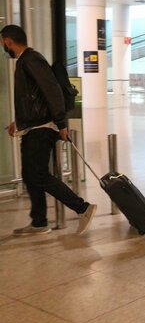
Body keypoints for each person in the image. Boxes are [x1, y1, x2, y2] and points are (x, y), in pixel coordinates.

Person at [1, 25, 96, 236]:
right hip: (33, 126)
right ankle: (39, 222)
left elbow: (51, 91)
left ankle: (83, 208)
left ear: (8, 41)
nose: (2, 46)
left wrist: (61, 124)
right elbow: (32, 97)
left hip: (43, 127)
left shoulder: (31, 59)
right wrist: (19, 121)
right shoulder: (25, 60)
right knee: (30, 175)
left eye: (2, 42)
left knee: (39, 174)